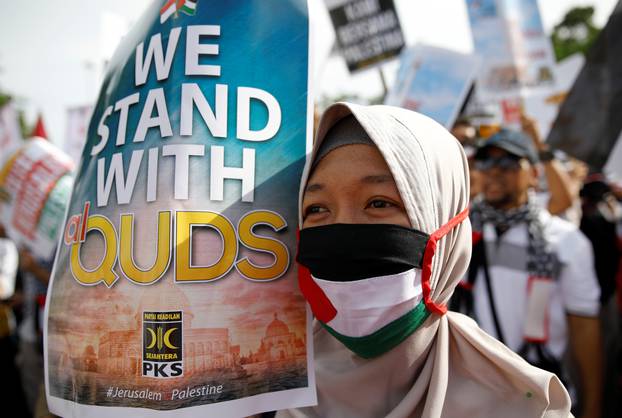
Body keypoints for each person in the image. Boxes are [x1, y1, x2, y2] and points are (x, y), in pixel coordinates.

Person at [277, 102, 571, 417]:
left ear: (446, 222)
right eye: (317, 209)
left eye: (379, 202)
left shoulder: (522, 404)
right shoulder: (265, 391)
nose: (343, 228)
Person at [458, 129, 602, 418]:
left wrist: (593, 406)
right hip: (471, 398)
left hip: (540, 401)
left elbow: (584, 328)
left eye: (509, 163)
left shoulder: (565, 241)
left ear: (535, 174)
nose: (494, 172)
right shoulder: (460, 233)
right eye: (485, 163)